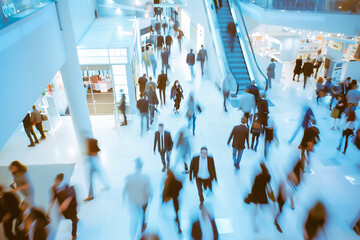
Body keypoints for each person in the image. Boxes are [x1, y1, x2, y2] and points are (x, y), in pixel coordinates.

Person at [123, 158, 152, 238]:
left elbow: (125, 190)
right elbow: (148, 191)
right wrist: (149, 196)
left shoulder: (129, 177)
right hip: (143, 201)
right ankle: (143, 225)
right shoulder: (145, 177)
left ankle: (134, 234)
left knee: (134, 218)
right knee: (143, 213)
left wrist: (124, 199)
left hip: (133, 201)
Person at [48, 173, 78, 240]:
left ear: (61, 180)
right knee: (68, 217)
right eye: (56, 181)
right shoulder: (54, 188)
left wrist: (64, 204)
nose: (56, 183)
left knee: (73, 219)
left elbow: (71, 197)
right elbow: (53, 198)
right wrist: (49, 209)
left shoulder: (68, 187)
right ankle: (74, 218)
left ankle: (74, 235)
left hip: (71, 206)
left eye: (58, 181)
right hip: (63, 208)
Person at [245, 163, 271, 232]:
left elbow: (254, 187)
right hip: (263, 194)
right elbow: (267, 184)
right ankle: (259, 219)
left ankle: (254, 224)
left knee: (255, 208)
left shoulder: (258, 176)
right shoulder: (268, 176)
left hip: (256, 194)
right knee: (262, 208)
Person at [162, 169, 183, 233]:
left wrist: (163, 199)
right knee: (176, 214)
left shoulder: (168, 181)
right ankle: (178, 227)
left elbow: (165, 191)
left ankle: (176, 228)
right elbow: (180, 185)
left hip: (170, 201)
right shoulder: (175, 180)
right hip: (175, 200)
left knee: (170, 215)